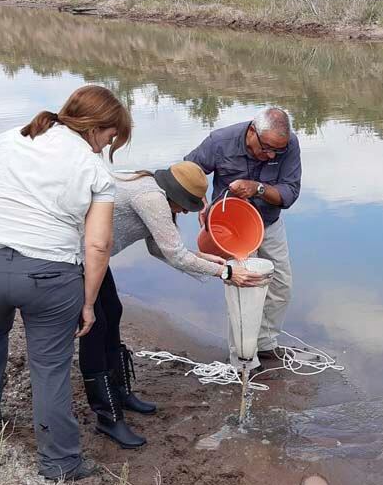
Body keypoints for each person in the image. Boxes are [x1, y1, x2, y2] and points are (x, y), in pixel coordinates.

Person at [0, 85, 131, 481]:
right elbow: (98, 244)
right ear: (96, 128)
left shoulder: (8, 139)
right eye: (110, 137)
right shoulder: (95, 170)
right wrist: (88, 302)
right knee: (50, 367)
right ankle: (59, 463)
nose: (108, 146)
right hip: (49, 277)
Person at [78, 161, 266, 449]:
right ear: (175, 197)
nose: (183, 212)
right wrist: (225, 272)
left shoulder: (153, 189)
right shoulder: (151, 198)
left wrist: (205, 259)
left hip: (95, 258)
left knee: (113, 312)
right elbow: (174, 255)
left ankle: (120, 392)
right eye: (184, 207)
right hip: (74, 256)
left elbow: (160, 248)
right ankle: (108, 416)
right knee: (95, 328)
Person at [184, 107, 301, 363]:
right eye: (266, 147)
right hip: (228, 229)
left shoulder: (288, 144)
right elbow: (188, 170)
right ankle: (242, 356)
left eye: (277, 151)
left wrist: (258, 189)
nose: (271, 154)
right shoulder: (220, 141)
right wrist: (201, 204)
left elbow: (290, 193)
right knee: (243, 290)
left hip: (267, 224)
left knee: (280, 285)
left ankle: (265, 343)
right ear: (251, 132)